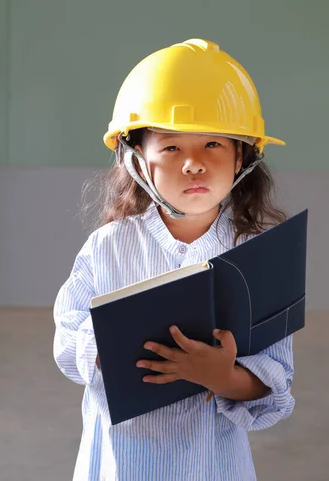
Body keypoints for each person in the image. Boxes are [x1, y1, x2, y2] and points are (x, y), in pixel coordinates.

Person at [53, 38, 294, 480]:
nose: (193, 165)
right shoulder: (108, 248)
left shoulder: (260, 258)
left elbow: (275, 384)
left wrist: (221, 376)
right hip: (120, 465)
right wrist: (110, 343)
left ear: (242, 154)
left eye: (213, 145)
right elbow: (67, 343)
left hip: (213, 467)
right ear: (137, 159)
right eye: (171, 148)